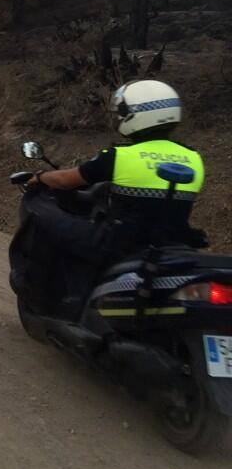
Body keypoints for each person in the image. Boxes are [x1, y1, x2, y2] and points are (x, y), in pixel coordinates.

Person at [26, 80, 206, 308]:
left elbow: (65, 180)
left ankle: (42, 297)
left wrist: (40, 177)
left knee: (47, 222)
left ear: (135, 115)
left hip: (119, 241)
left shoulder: (120, 155)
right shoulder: (193, 158)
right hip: (174, 242)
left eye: (122, 112)